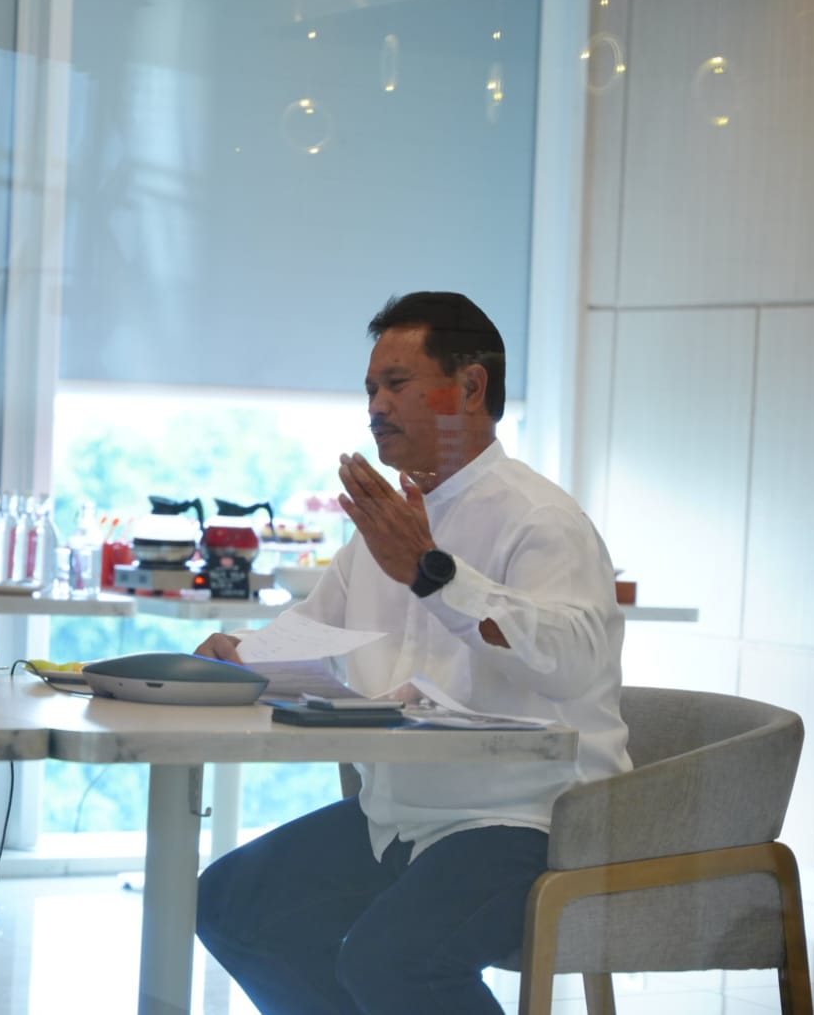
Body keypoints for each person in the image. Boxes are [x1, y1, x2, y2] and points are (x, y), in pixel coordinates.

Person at [194, 291, 629, 1015]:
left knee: (393, 960)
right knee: (231, 906)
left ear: (471, 387)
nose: (376, 406)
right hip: (398, 817)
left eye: (396, 383)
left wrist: (434, 573)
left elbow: (571, 661)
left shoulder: (542, 520)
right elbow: (310, 638)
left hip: (531, 823)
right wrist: (240, 658)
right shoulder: (385, 528)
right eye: (370, 388)